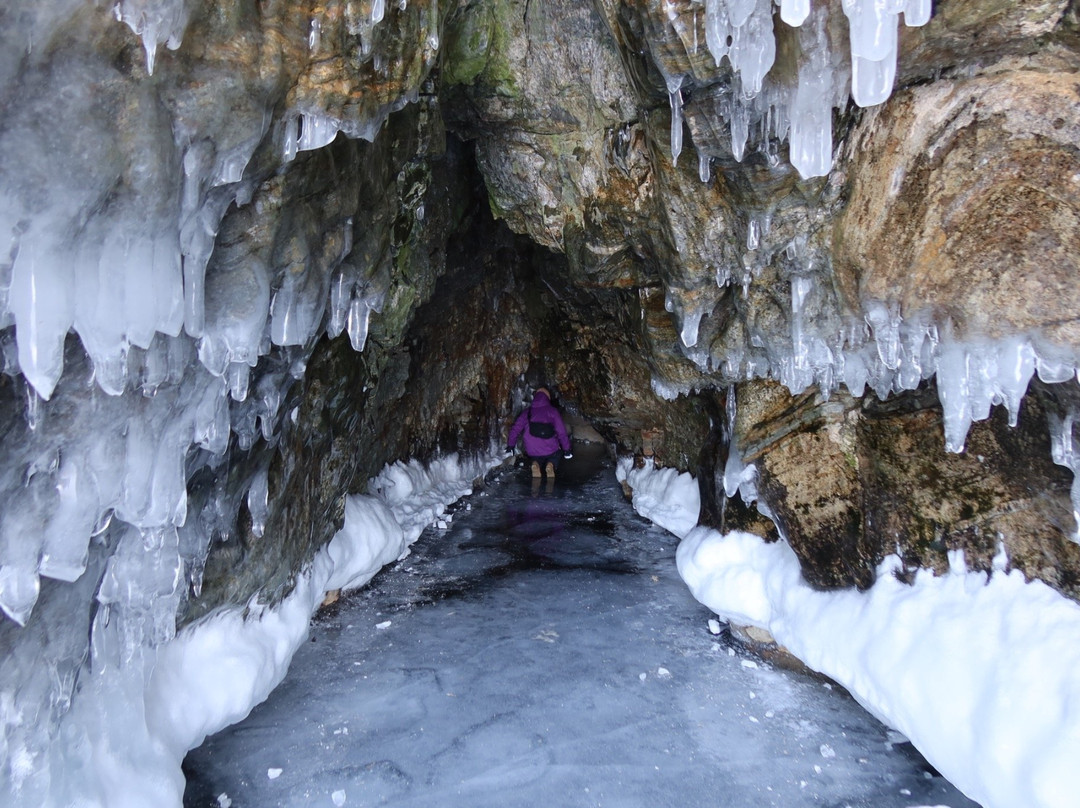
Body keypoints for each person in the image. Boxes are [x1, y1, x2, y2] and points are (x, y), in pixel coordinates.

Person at [506, 387, 572, 478]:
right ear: (547, 398)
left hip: (532, 449)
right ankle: (550, 465)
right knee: (556, 453)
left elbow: (515, 429)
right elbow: (562, 432)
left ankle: (535, 464)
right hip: (550, 447)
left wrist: (511, 445)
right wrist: (567, 450)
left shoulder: (527, 412)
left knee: (536, 455)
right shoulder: (552, 411)